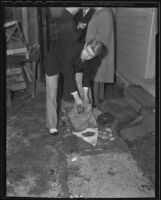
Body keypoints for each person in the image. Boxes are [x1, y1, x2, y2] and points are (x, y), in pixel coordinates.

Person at [44, 39, 105, 135]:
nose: (86, 56)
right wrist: (76, 98)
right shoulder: (71, 51)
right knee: (52, 94)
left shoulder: (94, 60)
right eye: (87, 51)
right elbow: (69, 77)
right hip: (54, 62)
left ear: (95, 56)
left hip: (76, 65)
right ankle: (52, 125)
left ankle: (81, 117)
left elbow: (87, 76)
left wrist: (85, 95)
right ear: (85, 45)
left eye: (91, 55)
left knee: (85, 92)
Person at [86, 7, 115, 106]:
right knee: (99, 74)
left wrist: (92, 48)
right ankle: (99, 97)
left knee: (96, 75)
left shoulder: (104, 13)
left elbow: (104, 35)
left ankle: (94, 101)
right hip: (96, 47)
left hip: (97, 49)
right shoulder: (99, 12)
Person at [74, 7, 95, 101]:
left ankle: (88, 103)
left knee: (86, 78)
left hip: (89, 49)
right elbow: (75, 29)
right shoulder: (78, 14)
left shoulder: (94, 13)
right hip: (79, 49)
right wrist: (78, 27)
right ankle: (82, 102)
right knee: (78, 78)